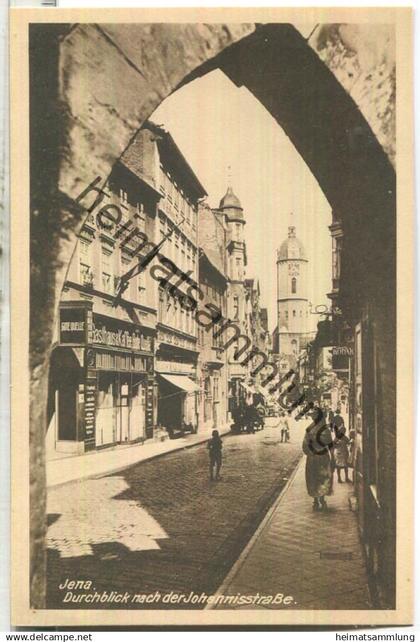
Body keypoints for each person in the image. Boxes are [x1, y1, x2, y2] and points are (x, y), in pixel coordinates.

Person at [302, 407, 334, 511]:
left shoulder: (309, 429)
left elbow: (304, 445)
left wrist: (310, 453)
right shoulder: (326, 429)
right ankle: (322, 500)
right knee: (323, 477)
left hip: (312, 458)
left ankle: (316, 501)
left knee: (313, 477)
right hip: (323, 457)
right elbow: (330, 445)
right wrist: (332, 457)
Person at [332, 411, 350, 483]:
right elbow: (333, 444)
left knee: (343, 466)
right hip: (340, 453)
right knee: (342, 466)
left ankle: (344, 478)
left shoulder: (341, 437)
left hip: (342, 452)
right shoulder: (340, 437)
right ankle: (341, 478)